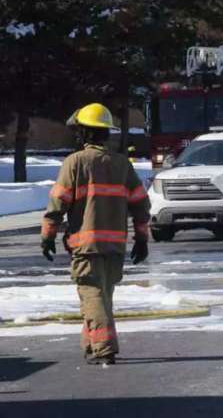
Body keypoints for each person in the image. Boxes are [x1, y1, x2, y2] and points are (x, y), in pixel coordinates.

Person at [41, 103, 151, 365]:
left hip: (86, 246)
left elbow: (58, 202)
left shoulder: (75, 162)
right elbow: (141, 203)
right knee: (101, 297)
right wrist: (142, 238)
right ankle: (92, 345)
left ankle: (103, 347)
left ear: (84, 132)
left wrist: (47, 234)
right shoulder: (122, 164)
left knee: (92, 296)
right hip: (115, 247)